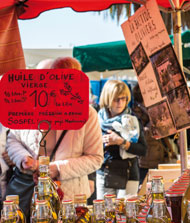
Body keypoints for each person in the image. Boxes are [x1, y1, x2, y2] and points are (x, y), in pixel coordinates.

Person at [6, 57, 104, 206]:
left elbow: (95, 158)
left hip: (68, 197)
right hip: (29, 193)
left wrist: (57, 168)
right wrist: (23, 158)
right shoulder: (27, 107)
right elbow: (13, 139)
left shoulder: (87, 113)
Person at [97, 80, 147, 199]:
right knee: (104, 214)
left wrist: (121, 142)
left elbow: (143, 150)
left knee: (126, 213)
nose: (120, 103)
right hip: (104, 172)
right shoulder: (98, 119)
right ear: (107, 99)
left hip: (129, 173)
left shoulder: (132, 120)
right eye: (116, 99)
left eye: (123, 99)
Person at [132, 84, 175, 185]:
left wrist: (170, 149)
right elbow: (140, 136)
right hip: (146, 160)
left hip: (159, 155)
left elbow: (164, 135)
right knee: (147, 187)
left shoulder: (151, 110)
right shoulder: (136, 113)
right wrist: (153, 124)